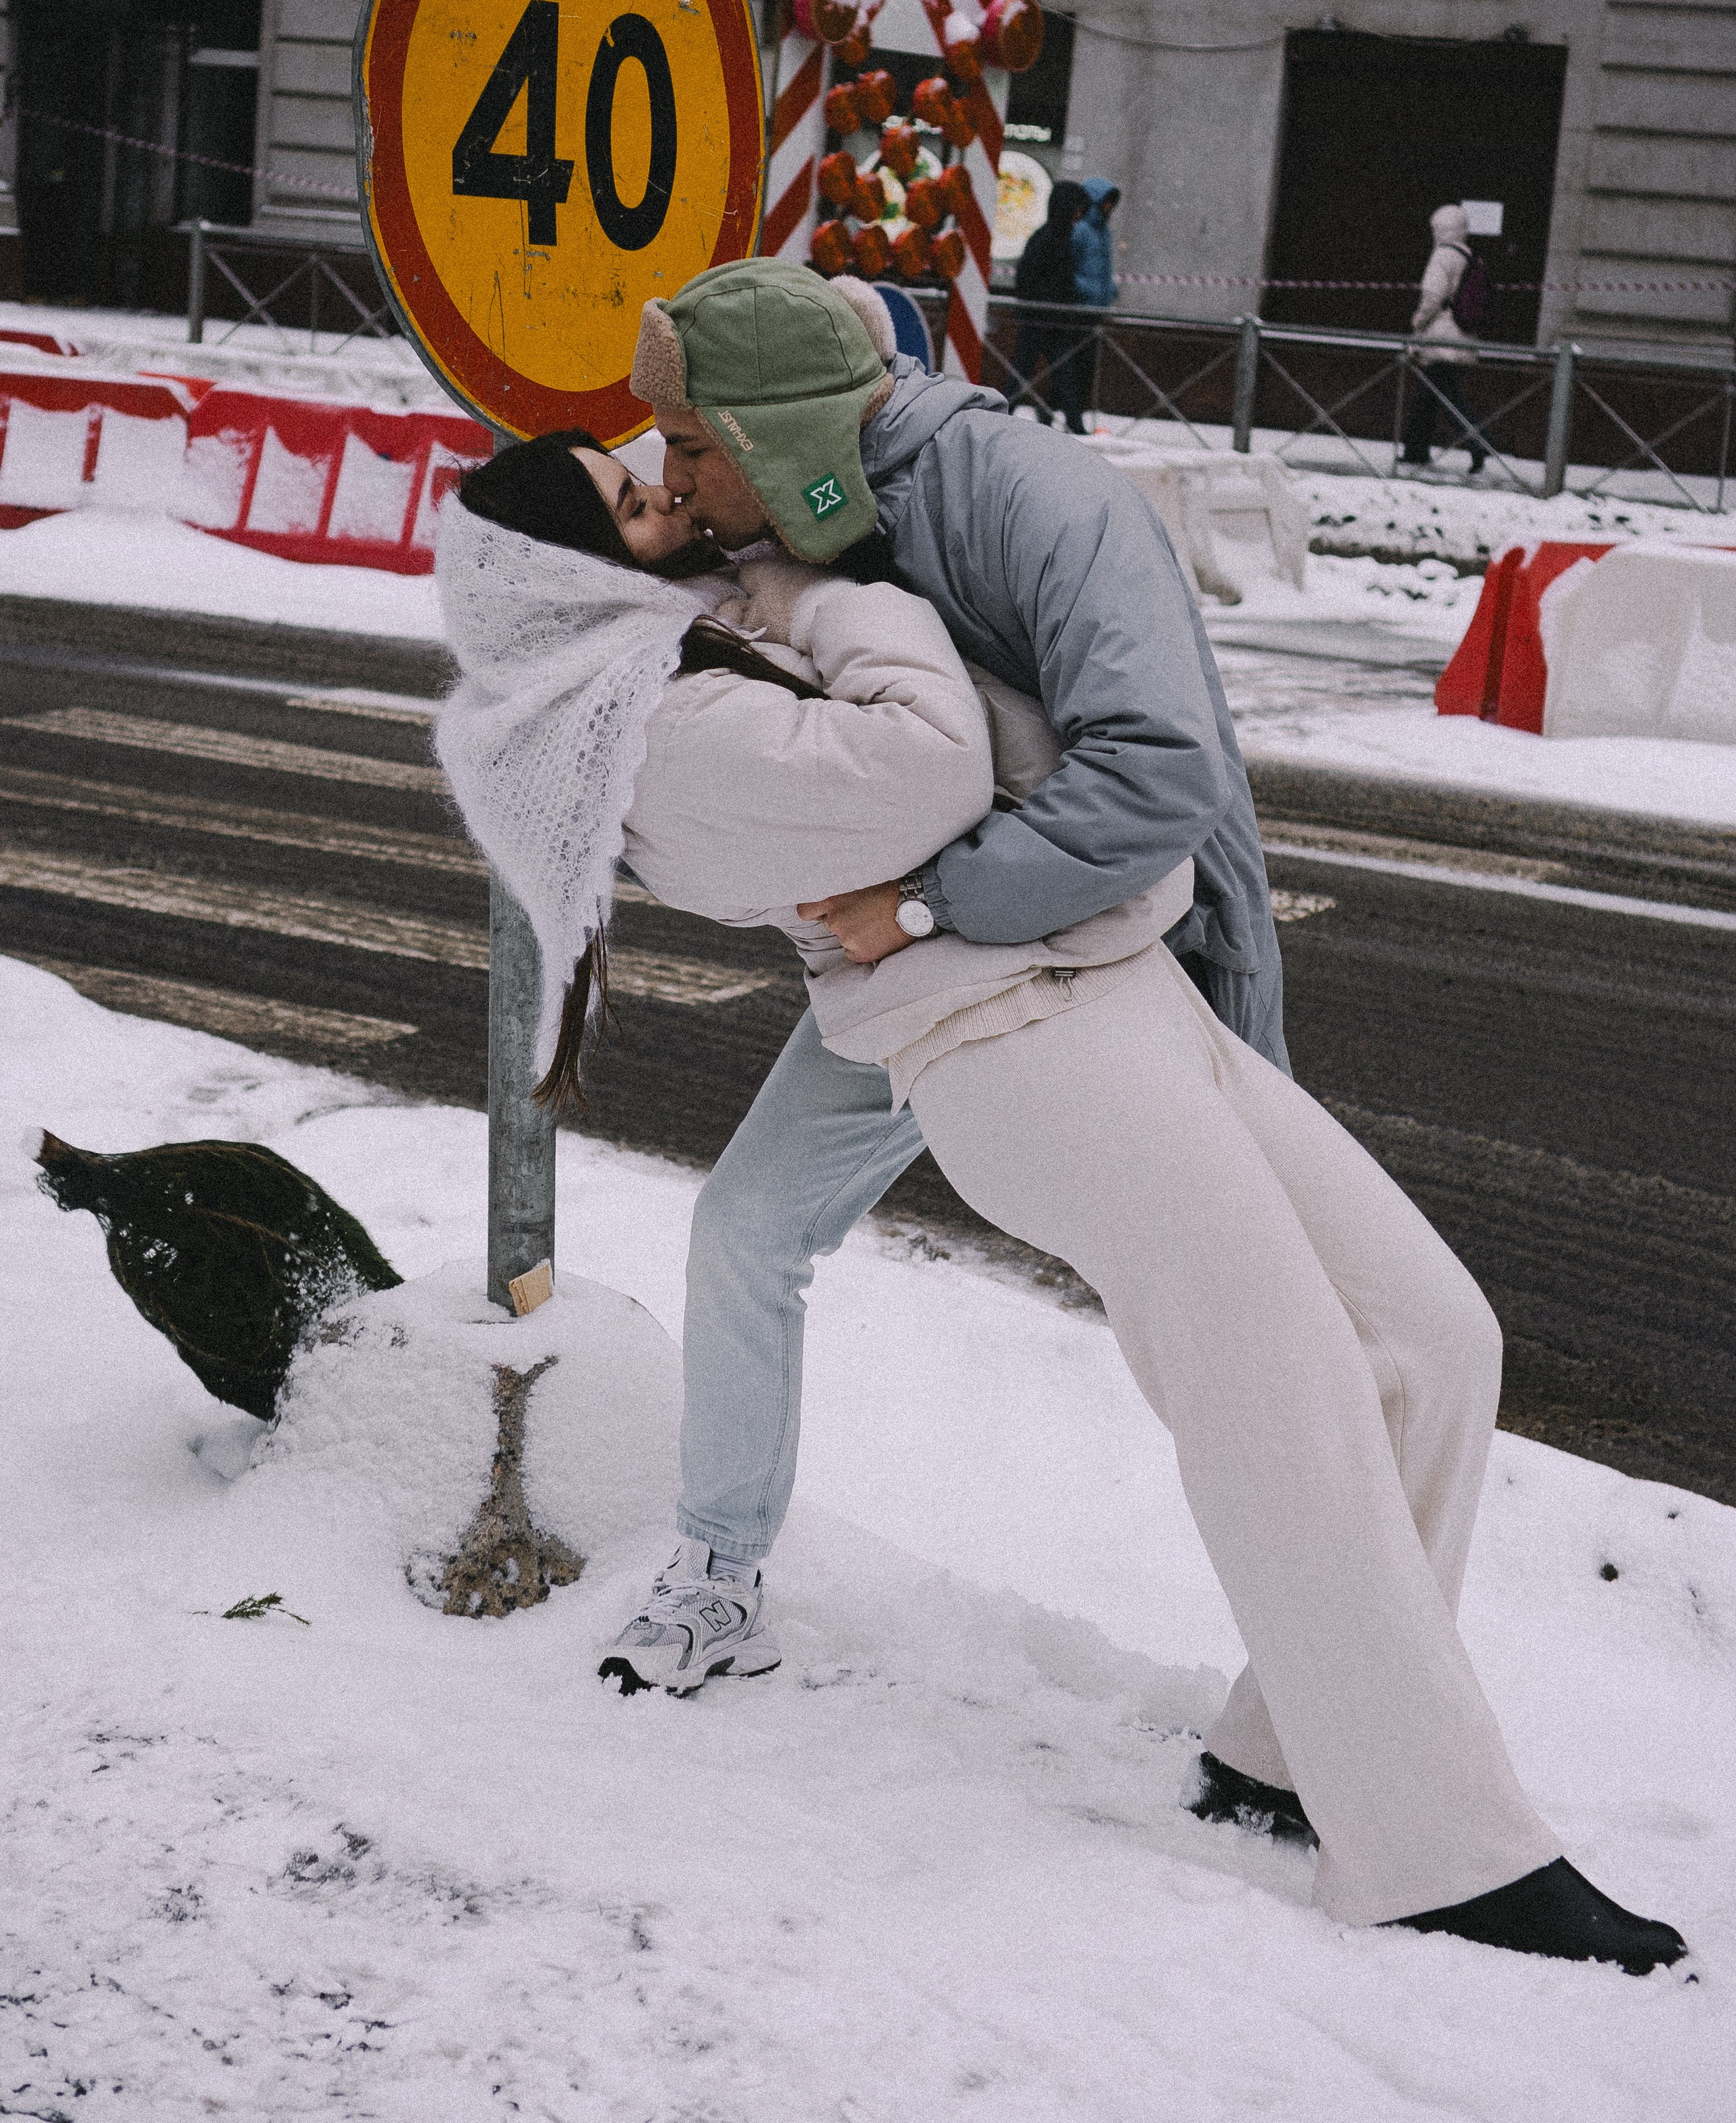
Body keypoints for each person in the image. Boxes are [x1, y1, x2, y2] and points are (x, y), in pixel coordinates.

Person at [433, 420, 1688, 1974]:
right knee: (1277, 1383)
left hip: (1115, 983)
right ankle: (1435, 1848)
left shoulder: (697, 649)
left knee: (1430, 1338)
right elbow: (933, 762)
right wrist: (817, 581)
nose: (673, 496)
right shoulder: (662, 742)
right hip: (1011, 1047)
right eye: (635, 503)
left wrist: (760, 560)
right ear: (577, 578)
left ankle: (1285, 1751)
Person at [1402, 203, 1491, 473]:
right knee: (1430, 395)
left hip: (1440, 338)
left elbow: (1432, 298)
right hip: (1461, 337)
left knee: (1445, 396)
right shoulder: (1470, 256)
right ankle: (1416, 450)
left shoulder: (1442, 256)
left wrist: (1417, 322)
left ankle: (1478, 442)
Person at [1012, 178, 1096, 432]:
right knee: (1030, 375)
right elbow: (1029, 278)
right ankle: (1075, 426)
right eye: (1077, 208)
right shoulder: (1051, 238)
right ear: (1066, 208)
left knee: (1046, 375)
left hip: (1049, 320)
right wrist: (1049, 303)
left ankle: (1074, 424)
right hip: (1044, 319)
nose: (1080, 215)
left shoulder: (1055, 235)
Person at [1071, 177, 1120, 310]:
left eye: (1111, 202)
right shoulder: (1079, 230)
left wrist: (1109, 290)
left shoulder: (1103, 232)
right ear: (1095, 202)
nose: (1109, 206)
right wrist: (1088, 290)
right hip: (1081, 306)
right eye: (1106, 201)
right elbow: (1066, 268)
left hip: (1097, 306)